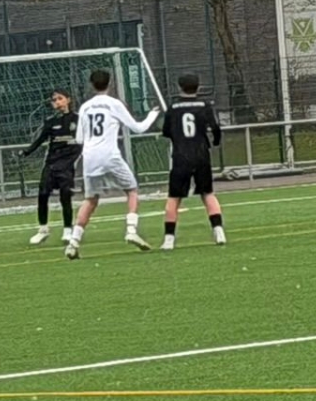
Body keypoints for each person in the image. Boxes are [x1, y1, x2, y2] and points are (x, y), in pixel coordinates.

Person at [66, 70, 160, 259]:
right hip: (109, 155)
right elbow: (138, 128)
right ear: (110, 83)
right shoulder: (114, 104)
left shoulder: (85, 107)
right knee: (131, 190)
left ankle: (73, 242)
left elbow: (79, 139)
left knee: (90, 200)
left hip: (90, 158)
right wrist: (153, 115)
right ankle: (131, 230)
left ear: (91, 85)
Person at [161, 74, 225, 251]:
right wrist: (216, 141)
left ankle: (169, 239)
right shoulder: (204, 105)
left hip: (181, 156)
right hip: (201, 154)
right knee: (208, 193)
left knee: (174, 198)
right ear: (198, 87)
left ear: (179, 87)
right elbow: (215, 127)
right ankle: (219, 231)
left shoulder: (173, 107)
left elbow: (166, 131)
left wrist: (177, 137)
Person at [21, 89, 82, 245]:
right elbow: (40, 140)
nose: (57, 102)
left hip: (67, 164)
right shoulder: (51, 122)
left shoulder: (78, 119)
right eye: (54, 100)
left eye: (60, 98)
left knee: (65, 196)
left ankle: (67, 230)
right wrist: (26, 151)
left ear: (68, 99)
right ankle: (43, 229)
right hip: (52, 162)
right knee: (42, 194)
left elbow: (85, 140)